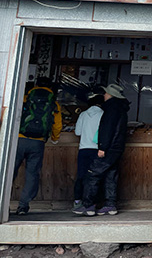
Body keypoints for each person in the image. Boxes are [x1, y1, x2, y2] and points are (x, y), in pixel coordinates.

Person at [73, 84, 129, 216]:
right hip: (117, 148)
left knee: (93, 174)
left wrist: (102, 147)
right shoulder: (121, 108)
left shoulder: (110, 108)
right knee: (111, 176)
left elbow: (107, 129)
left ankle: (88, 206)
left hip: (108, 148)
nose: (104, 95)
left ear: (110, 95)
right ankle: (110, 205)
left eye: (106, 93)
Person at [13, 77, 62, 215]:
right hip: (38, 142)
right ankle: (23, 205)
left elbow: (14, 116)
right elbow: (57, 125)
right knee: (32, 174)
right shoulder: (54, 103)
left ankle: (2, 201)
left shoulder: (25, 98)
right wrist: (55, 138)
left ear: (35, 85)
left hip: (20, 139)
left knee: (10, 171)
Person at [72, 92, 104, 209]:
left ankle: (77, 201)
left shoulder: (83, 114)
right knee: (94, 177)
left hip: (83, 149)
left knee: (81, 175)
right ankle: (92, 203)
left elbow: (77, 132)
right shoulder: (103, 114)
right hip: (97, 150)